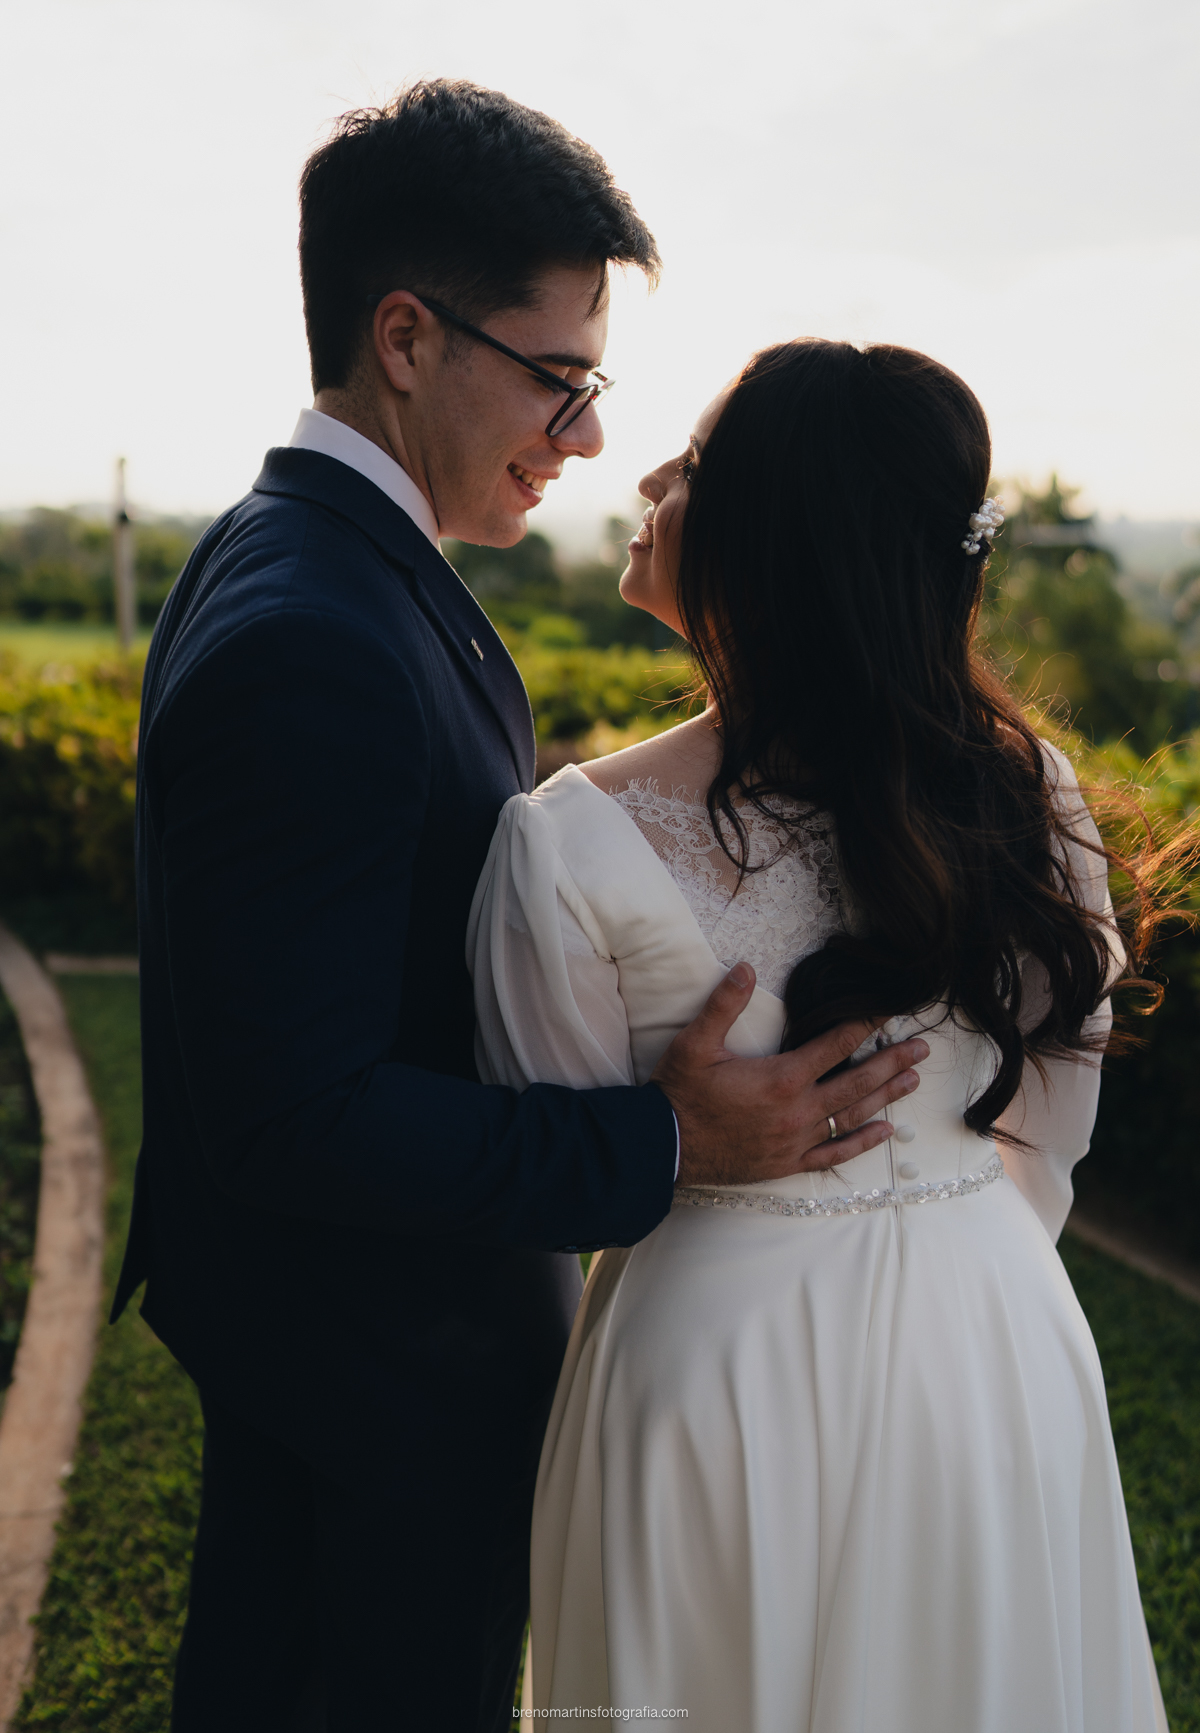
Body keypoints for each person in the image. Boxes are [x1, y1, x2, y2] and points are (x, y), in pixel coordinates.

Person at [110, 85, 927, 1732]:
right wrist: (672, 1145)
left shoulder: (323, 559)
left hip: (359, 1361)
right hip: (372, 1392)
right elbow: (295, 1115)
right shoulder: (316, 636)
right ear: (406, 338)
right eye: (561, 379)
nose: (588, 439)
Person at [470, 339, 1170, 1731]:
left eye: (701, 461)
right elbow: (1056, 1118)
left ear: (774, 536)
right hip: (992, 1332)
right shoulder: (1031, 788)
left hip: (710, 1368)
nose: (652, 474)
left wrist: (700, 1169)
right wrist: (931, 1243)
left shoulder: (570, 842)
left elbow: (538, 1173)